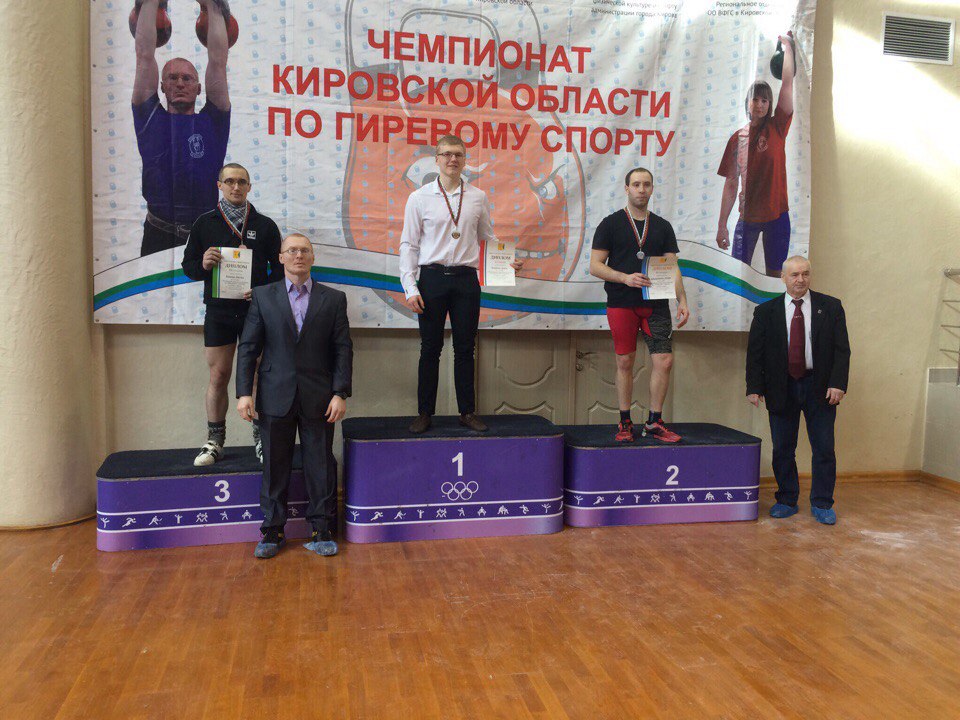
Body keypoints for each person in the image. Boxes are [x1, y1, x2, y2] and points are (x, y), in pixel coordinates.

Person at [236, 234, 353, 559]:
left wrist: (340, 392)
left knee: (320, 464)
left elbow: (343, 349)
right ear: (281, 257)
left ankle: (321, 529)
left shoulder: (334, 299)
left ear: (312, 257)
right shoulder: (263, 296)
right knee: (275, 465)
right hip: (275, 394)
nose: (298, 255)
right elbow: (248, 348)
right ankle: (272, 531)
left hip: (320, 397)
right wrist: (244, 393)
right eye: (292, 250)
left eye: (304, 250)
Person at [398, 135, 522, 435]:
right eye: (447, 154)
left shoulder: (478, 197)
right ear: (437, 159)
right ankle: (424, 412)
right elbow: (408, 245)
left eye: (458, 154)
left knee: (466, 348)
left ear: (465, 160)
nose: (453, 159)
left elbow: (487, 237)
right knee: (430, 348)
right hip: (431, 279)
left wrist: (506, 260)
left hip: (466, 280)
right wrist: (410, 287)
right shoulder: (419, 198)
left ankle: (467, 412)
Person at [181, 163, 282, 466]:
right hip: (219, 312)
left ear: (249, 186)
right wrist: (203, 264)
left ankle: (261, 439)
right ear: (219, 185)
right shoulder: (205, 223)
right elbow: (188, 267)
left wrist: (262, 291)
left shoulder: (265, 225)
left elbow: (279, 271)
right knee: (219, 375)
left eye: (241, 182)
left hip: (256, 311)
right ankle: (215, 441)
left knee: (257, 374)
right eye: (230, 181)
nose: (236, 187)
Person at [746, 256, 850, 524]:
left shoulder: (831, 307)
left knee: (824, 448)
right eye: (794, 275)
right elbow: (755, 354)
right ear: (783, 278)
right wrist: (754, 387)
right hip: (781, 387)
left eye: (805, 274)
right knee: (782, 448)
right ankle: (786, 499)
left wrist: (838, 383)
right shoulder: (765, 312)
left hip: (820, 387)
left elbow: (842, 351)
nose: (800, 280)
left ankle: (822, 503)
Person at [590, 168, 690, 443]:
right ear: (627, 188)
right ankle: (625, 422)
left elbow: (672, 267)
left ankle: (654, 422)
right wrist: (625, 277)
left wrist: (682, 299)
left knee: (664, 360)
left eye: (646, 184)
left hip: (656, 304)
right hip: (621, 303)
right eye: (636, 184)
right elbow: (595, 266)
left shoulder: (662, 226)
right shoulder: (610, 224)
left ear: (652, 189)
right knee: (625, 361)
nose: (641, 189)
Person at [132, 0, 232, 256]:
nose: (179, 83)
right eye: (172, 78)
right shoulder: (149, 117)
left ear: (199, 88)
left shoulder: (213, 121)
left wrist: (213, 5)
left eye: (187, 78)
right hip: (158, 234)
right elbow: (144, 56)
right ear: (162, 87)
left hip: (204, 235)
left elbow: (218, 61)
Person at [716, 32, 795, 277]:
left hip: (777, 216)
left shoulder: (777, 127)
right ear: (747, 103)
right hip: (747, 218)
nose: (759, 104)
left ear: (770, 104)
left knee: (774, 280)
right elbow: (731, 185)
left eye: (764, 100)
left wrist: (788, 49)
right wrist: (722, 225)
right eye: (755, 99)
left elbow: (787, 84)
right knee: (739, 278)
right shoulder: (737, 139)